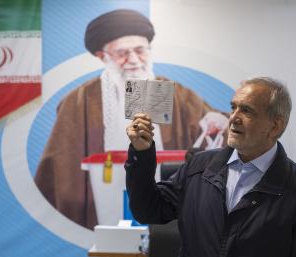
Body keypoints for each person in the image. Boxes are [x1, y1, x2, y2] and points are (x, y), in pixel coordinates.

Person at [35, 9, 228, 229]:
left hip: (164, 199)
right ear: (102, 56)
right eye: (122, 53)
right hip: (104, 196)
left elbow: (217, 125)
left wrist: (216, 121)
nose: (134, 60)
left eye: (140, 50)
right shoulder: (79, 100)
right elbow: (60, 169)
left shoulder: (171, 92)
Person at [125, 77, 296, 257]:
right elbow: (148, 210)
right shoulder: (199, 167)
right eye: (234, 107)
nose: (233, 117)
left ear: (275, 126)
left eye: (246, 110)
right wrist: (141, 152)